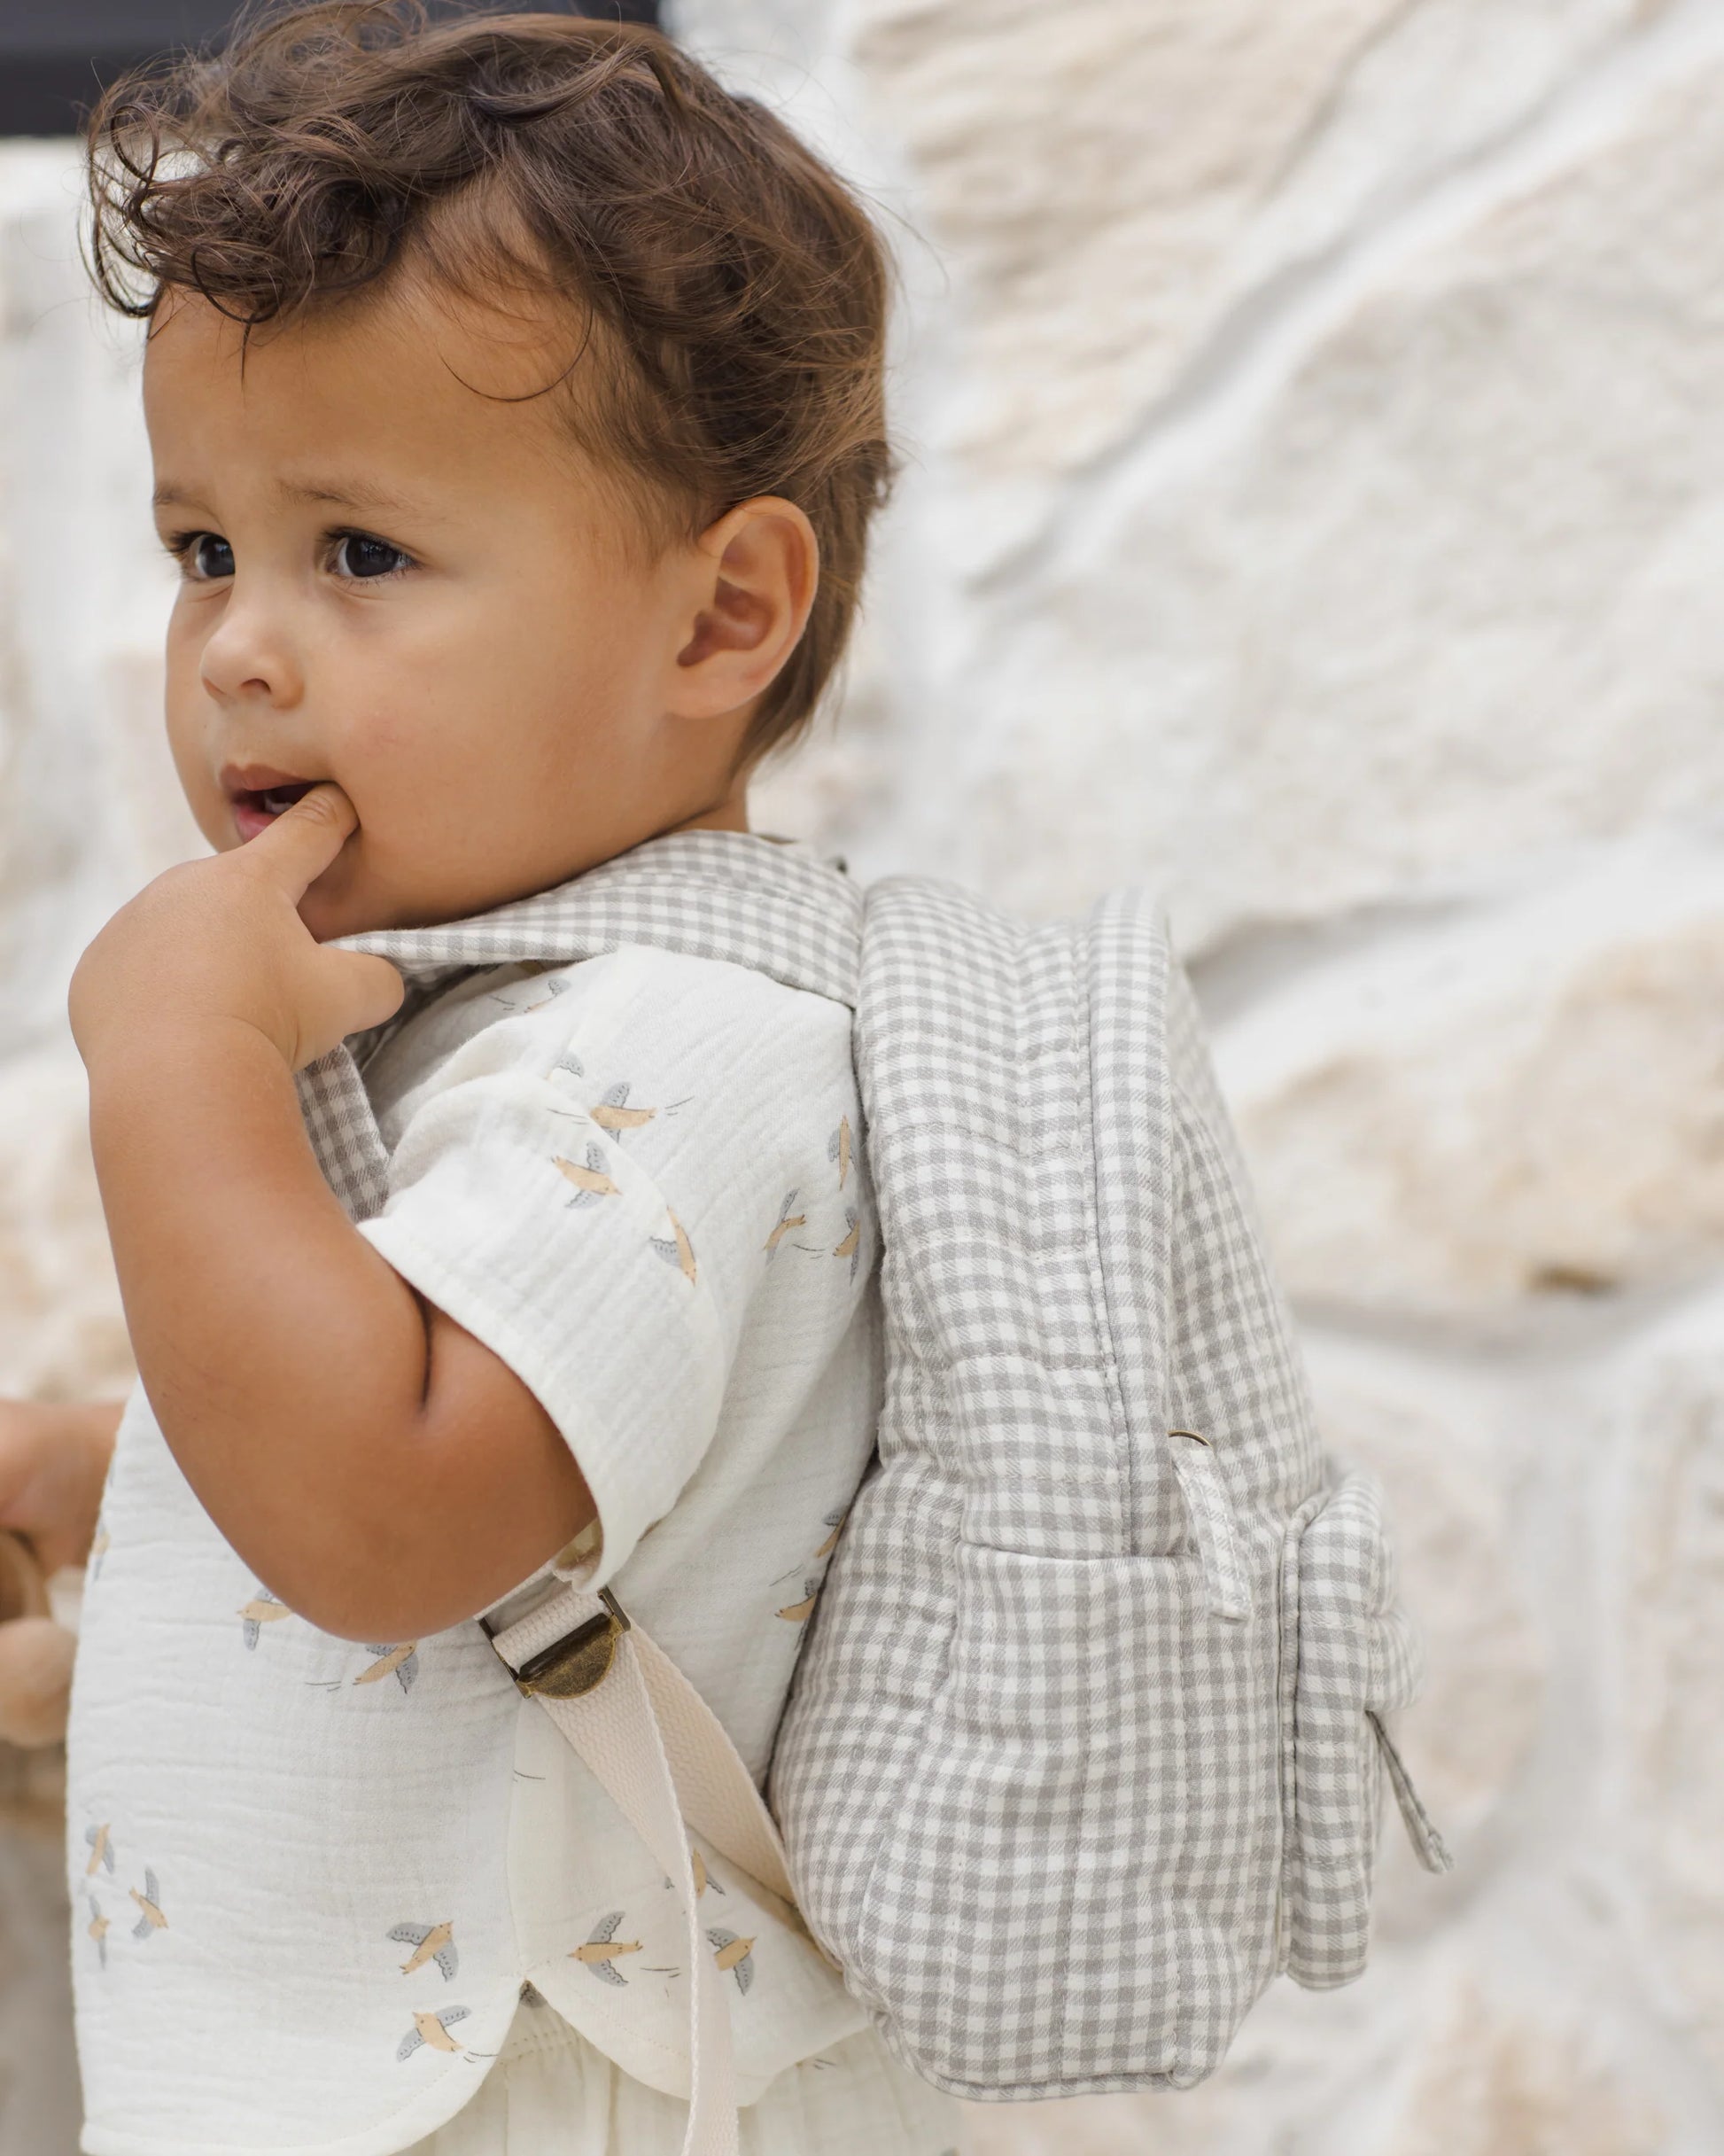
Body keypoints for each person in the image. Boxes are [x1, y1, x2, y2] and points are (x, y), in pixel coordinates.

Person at [0, 5, 966, 2151]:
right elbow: (510, 1450)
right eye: (202, 550)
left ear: (719, 618)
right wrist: (124, 1475)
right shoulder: (494, 1014)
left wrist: (171, 1061)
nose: (238, 645)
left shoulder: (680, 1050)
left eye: (358, 552)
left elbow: (393, 1510)